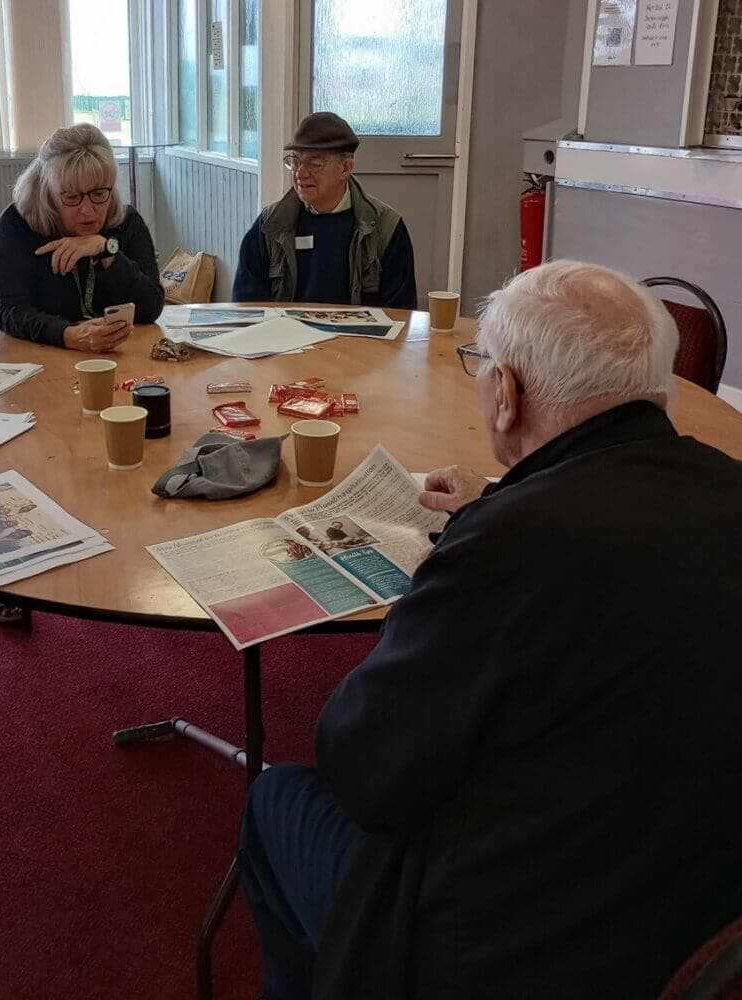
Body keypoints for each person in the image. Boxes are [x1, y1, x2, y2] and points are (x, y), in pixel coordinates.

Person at [237, 260, 742, 1000]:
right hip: (702, 910)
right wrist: (503, 497)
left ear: (505, 393)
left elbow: (364, 771)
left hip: (522, 944)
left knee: (276, 797)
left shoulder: (512, 549)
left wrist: (475, 548)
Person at [0, 123, 164, 351]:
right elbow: (9, 311)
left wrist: (107, 251)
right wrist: (68, 335)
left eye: (98, 194)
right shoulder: (16, 225)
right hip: (15, 351)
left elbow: (151, 307)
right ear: (47, 193)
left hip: (100, 354)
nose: (87, 210)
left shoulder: (126, 223)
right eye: (71, 197)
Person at [232, 112, 416, 310]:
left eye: (314, 163)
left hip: (357, 340)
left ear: (345, 168)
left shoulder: (386, 229)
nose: (300, 173)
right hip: (287, 338)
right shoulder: (270, 225)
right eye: (295, 161)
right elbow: (246, 306)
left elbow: (401, 315)